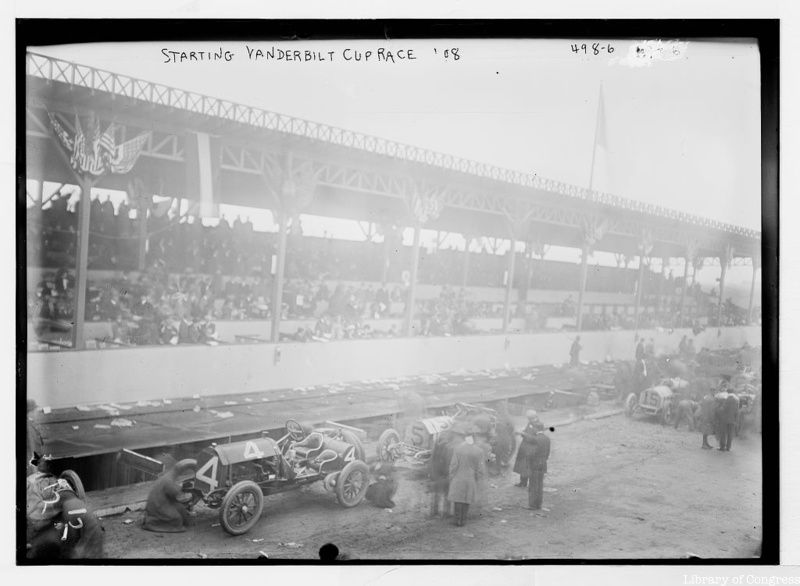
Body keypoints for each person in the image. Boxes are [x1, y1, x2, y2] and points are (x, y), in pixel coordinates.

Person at [142, 459, 196, 532]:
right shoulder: (168, 480)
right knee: (176, 518)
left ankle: (186, 521)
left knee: (181, 509)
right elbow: (174, 493)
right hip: (159, 506)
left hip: (163, 503)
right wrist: (181, 490)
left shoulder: (167, 477)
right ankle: (154, 524)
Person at [447, 425, 485, 527]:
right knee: (466, 499)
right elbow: (480, 469)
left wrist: (451, 477)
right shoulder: (479, 451)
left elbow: (453, 465)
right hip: (470, 478)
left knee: (458, 499)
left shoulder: (458, 448)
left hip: (458, 477)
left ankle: (456, 520)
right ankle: (463, 520)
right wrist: (477, 479)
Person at [525, 423, 551, 510]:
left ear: (536, 429)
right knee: (540, 485)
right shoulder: (547, 439)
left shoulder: (534, 439)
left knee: (533, 485)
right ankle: (539, 504)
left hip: (534, 464)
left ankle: (532, 505)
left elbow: (531, 454)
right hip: (543, 464)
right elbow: (547, 453)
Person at [513, 410, 541, 487]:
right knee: (523, 467)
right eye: (530, 418)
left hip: (531, 449)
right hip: (525, 448)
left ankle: (532, 484)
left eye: (532, 418)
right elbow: (527, 432)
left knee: (529, 467)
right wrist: (522, 432)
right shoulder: (530, 423)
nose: (531, 420)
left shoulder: (538, 425)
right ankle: (523, 482)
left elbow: (536, 439)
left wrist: (523, 434)